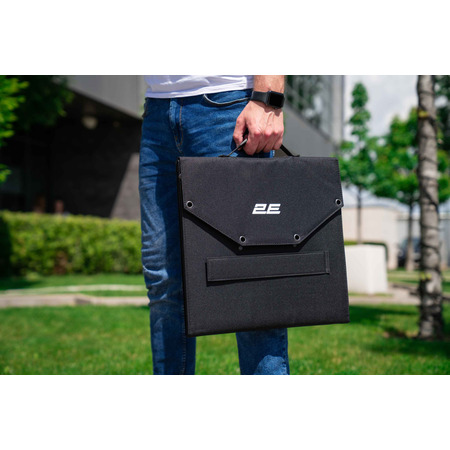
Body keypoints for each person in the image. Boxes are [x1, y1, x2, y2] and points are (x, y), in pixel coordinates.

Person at [139, 75, 289, 375]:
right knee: (163, 279)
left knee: (251, 280)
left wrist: (268, 99)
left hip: (227, 104)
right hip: (157, 110)